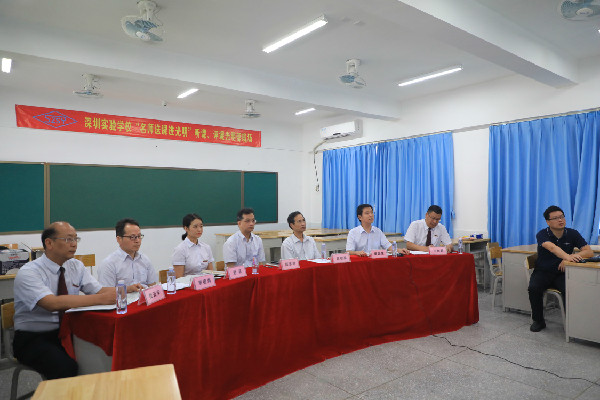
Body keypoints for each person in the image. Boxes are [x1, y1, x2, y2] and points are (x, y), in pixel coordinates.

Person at [12, 222, 116, 379]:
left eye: (75, 239)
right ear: (49, 243)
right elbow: (51, 303)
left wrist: (126, 290)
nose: (74, 244)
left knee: (101, 350)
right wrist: (101, 299)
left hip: (68, 330)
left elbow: (99, 290)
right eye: (68, 239)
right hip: (34, 337)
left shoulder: (76, 266)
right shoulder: (29, 272)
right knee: (66, 367)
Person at [528, 206, 593, 332]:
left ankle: (572, 321)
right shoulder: (542, 234)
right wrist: (568, 256)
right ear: (548, 222)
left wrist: (568, 259)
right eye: (556, 218)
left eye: (562, 216)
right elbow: (552, 248)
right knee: (533, 289)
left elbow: (588, 252)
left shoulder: (572, 233)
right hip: (543, 271)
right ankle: (538, 321)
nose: (560, 220)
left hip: (562, 272)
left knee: (571, 290)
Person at [97, 218, 158, 292]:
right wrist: (128, 289)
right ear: (119, 239)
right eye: (132, 237)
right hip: (123, 299)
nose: (137, 241)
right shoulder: (108, 264)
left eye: (139, 236)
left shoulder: (145, 259)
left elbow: (152, 286)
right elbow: (106, 293)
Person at [172, 213, 214, 277]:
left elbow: (210, 273)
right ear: (186, 228)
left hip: (205, 281)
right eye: (195, 227)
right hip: (188, 282)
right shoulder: (180, 249)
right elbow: (179, 278)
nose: (199, 229)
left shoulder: (206, 247)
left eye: (201, 226)